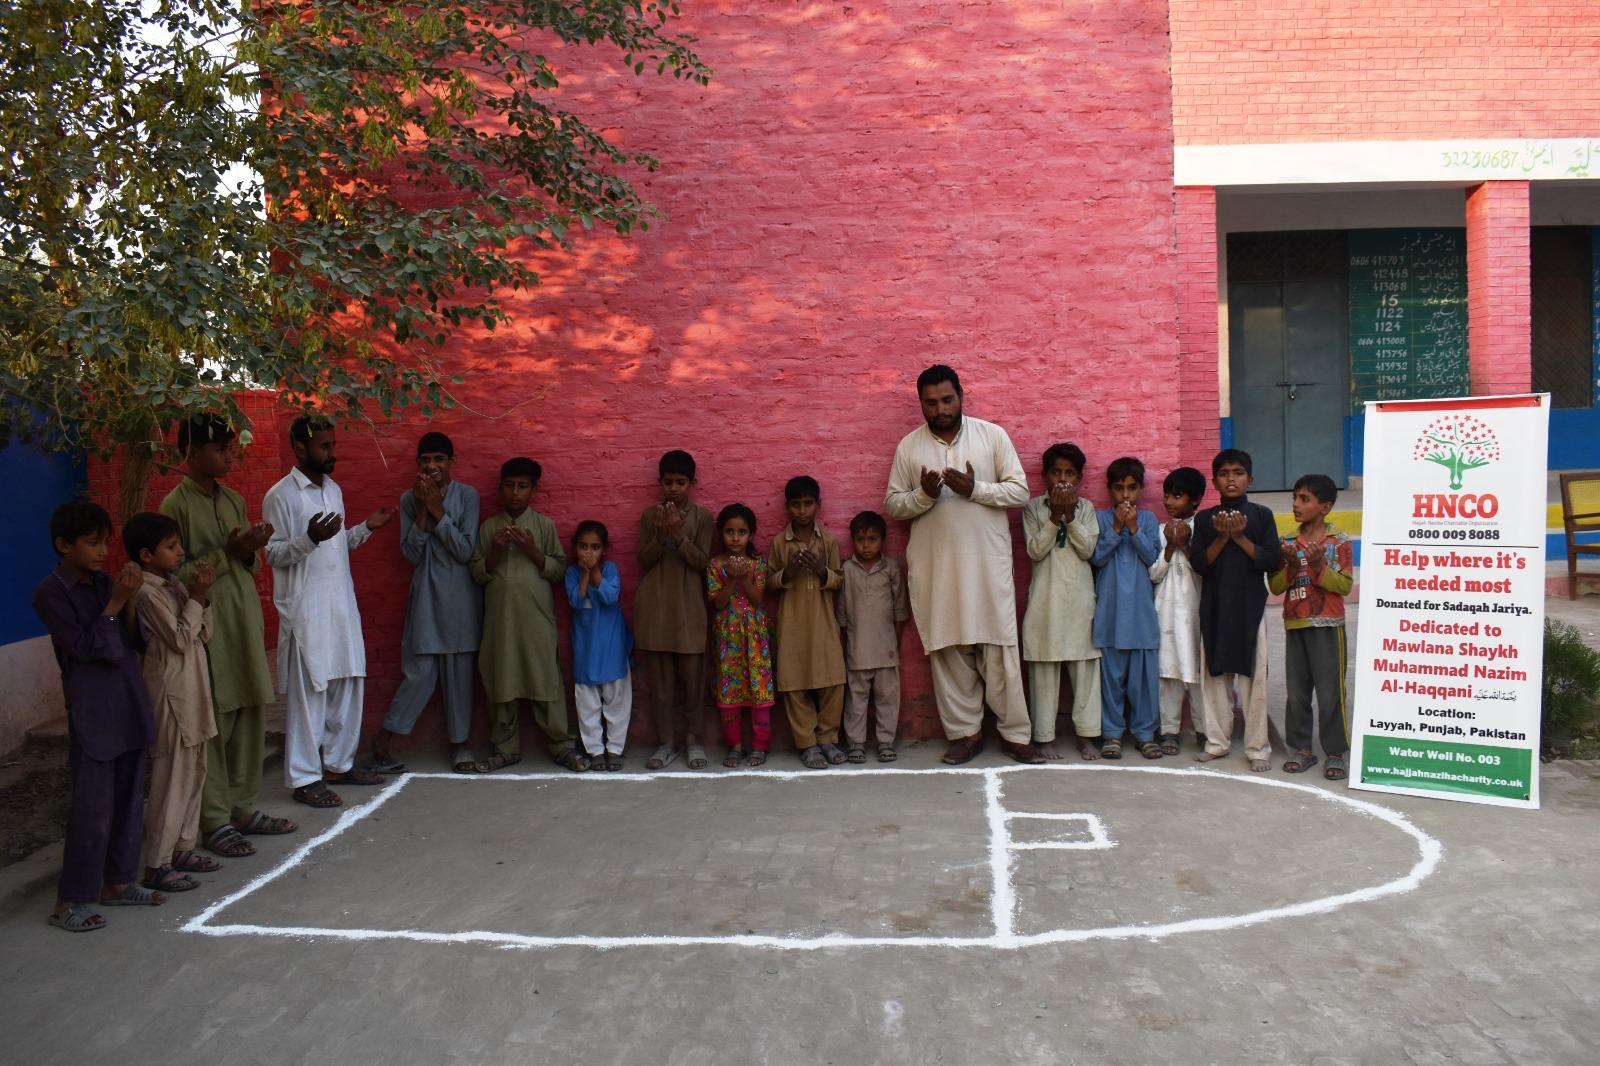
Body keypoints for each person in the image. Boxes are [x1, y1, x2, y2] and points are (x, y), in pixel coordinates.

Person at [884, 364, 1043, 765]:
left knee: (998, 646)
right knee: (949, 649)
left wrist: (976, 489)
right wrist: (922, 495)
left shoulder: (992, 436)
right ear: (921, 404)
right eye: (931, 402)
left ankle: (1015, 734)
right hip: (937, 568)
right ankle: (965, 735)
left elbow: (1020, 491)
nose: (940, 409)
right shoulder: (909, 447)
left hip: (987, 566)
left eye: (947, 399)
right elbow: (893, 505)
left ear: (961, 395)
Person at [160, 414, 294, 859]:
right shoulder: (174, 507)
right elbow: (170, 576)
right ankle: (214, 820)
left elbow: (248, 565)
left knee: (253, 711)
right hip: (208, 627)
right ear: (192, 454)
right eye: (220, 450)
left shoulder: (235, 499)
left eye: (230, 449)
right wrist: (228, 552)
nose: (228, 457)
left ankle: (243, 809)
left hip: (245, 621)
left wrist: (250, 548)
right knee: (217, 721)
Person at [33, 502, 163, 930]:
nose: (102, 551)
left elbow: (133, 640)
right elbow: (85, 648)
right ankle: (70, 899)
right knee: (93, 806)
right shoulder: (51, 593)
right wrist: (118, 600)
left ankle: (119, 882)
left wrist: (126, 601)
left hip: (125, 697)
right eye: (92, 543)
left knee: (128, 799)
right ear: (63, 545)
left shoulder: (105, 581)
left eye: (104, 541)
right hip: (92, 707)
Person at [262, 416, 394, 808]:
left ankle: (339, 763)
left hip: (340, 604)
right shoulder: (280, 496)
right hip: (305, 611)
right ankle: (305, 779)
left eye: (333, 444)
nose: (332, 453)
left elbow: (336, 546)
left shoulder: (333, 489)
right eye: (324, 446)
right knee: (310, 694)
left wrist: (366, 528)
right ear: (300, 449)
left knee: (348, 682)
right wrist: (308, 539)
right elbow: (272, 553)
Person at [370, 432, 482, 774]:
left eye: (439, 459)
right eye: (426, 460)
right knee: (419, 674)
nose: (432, 466)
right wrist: (422, 511)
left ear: (452, 462)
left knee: (458, 674)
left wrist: (438, 510)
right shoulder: (409, 500)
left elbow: (465, 551)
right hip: (426, 599)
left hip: (460, 599)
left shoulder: (468, 496)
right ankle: (383, 741)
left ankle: (459, 746)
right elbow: (411, 553)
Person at [124, 512, 219, 894]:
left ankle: (182, 847)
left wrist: (200, 596)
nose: (180, 552)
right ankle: (156, 862)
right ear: (147, 554)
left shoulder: (173, 586)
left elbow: (204, 632)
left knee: (195, 768)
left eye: (179, 544)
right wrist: (195, 598)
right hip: (171, 692)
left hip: (193, 686)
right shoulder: (147, 593)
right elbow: (179, 639)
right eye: (171, 546)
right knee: (172, 777)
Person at [471, 457, 586, 772]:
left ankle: (562, 745)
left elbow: (558, 571)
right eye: (509, 485)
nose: (514, 492)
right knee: (501, 678)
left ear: (534, 490)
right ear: (500, 488)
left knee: (544, 679)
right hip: (500, 623)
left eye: (522, 486)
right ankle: (506, 748)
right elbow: (478, 574)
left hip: (536, 619)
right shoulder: (489, 528)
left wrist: (534, 550)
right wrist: (494, 551)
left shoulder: (544, 526)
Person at [1189, 448, 1282, 772]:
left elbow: (1272, 560)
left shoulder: (1261, 516)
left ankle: (1257, 748)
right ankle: (1217, 743)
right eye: (1225, 474)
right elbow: (1199, 563)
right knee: (1213, 678)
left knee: (1253, 681)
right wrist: (1221, 537)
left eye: (1238, 473)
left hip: (1249, 608)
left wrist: (1240, 537)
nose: (1231, 479)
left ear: (1250, 479)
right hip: (1214, 607)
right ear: (1215, 481)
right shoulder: (1204, 519)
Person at [1268, 474, 1353, 782]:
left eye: (1305, 499)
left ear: (1325, 507)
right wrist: (1291, 567)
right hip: (1296, 623)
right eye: (1295, 497)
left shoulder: (1339, 542)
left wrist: (1319, 568)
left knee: (1331, 693)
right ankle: (1302, 748)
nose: (1296, 504)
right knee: (1298, 692)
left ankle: (1334, 752)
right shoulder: (1287, 543)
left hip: (1329, 625)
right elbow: (1276, 586)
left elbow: (1344, 585)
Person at [1021, 443, 1102, 761]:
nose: (1063, 479)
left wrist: (1069, 515)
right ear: (1045, 476)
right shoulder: (1033, 509)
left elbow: (1088, 550)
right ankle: (1044, 738)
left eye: (1070, 473)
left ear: (1079, 478)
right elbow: (1034, 550)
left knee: (1085, 669)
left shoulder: (1086, 509)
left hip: (1079, 601)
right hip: (1045, 601)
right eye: (1057, 472)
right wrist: (1055, 516)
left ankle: (1086, 737)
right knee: (1043, 667)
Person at [634, 450, 714, 770]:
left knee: (693, 679)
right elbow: (644, 559)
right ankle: (666, 742)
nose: (674, 489)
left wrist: (678, 536)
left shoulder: (703, 517)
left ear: (693, 483)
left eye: (681, 482)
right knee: (661, 682)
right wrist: (664, 533)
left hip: (690, 607)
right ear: (660, 482)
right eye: (668, 482)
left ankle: (693, 740)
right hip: (656, 606)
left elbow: (702, 562)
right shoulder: (649, 516)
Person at [769, 476, 848, 769]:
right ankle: (807, 744)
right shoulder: (780, 543)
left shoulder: (828, 542)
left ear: (818, 505)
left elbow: (839, 580)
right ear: (787, 507)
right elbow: (769, 583)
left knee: (832, 679)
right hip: (792, 623)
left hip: (823, 621)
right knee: (794, 683)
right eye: (796, 505)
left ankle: (828, 738)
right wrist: (787, 573)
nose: (802, 511)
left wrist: (820, 569)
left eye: (807, 504)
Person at [1090, 457, 1164, 760]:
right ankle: (1112, 734)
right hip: (1110, 615)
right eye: (1119, 488)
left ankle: (1145, 734)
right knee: (1111, 680)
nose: (1125, 496)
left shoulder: (1147, 521)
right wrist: (1117, 527)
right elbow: (1095, 558)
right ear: (1110, 490)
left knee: (1143, 681)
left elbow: (1153, 560)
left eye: (1132, 489)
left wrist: (1132, 529)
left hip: (1141, 617)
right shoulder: (1099, 519)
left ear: (1140, 490)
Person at [835, 511, 910, 763]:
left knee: (888, 699)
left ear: (883, 540)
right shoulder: (847, 569)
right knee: (856, 700)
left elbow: (900, 609)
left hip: (886, 649)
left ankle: (885, 742)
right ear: (852, 540)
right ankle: (856, 743)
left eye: (872, 539)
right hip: (857, 650)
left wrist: (895, 642)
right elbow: (842, 613)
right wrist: (848, 641)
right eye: (860, 539)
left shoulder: (890, 569)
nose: (866, 545)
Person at [706, 503, 774, 768]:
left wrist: (743, 577)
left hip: (755, 638)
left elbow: (757, 599)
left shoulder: (757, 564)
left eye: (742, 532)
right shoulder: (714, 566)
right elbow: (719, 604)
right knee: (729, 692)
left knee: (759, 691)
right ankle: (734, 747)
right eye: (729, 532)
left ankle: (760, 746)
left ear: (751, 534)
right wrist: (731, 579)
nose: (735, 538)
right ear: (721, 534)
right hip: (728, 641)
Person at [566, 520, 633, 771]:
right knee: (587, 704)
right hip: (585, 650)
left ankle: (615, 748)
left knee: (617, 702)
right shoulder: (572, 573)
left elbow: (609, 596)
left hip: (612, 649)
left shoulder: (611, 570)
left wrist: (595, 572)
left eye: (595, 547)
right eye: (583, 546)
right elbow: (575, 600)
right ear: (575, 548)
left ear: (604, 550)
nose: (589, 552)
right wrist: (585, 573)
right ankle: (594, 750)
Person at [1150, 466, 1207, 756]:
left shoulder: (1205, 529)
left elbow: (1204, 571)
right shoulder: (1158, 532)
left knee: (1197, 674)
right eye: (1167, 495)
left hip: (1196, 613)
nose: (1170, 501)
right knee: (1168, 674)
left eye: (1178, 496)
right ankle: (1169, 731)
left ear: (1195, 501)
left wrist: (1185, 544)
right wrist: (1170, 547)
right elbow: (1153, 574)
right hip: (1166, 612)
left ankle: (1203, 730)